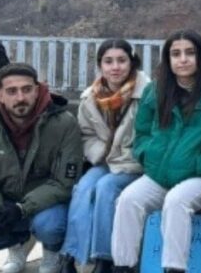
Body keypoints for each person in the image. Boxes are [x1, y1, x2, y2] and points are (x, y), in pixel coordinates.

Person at [111, 30, 201, 273]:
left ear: (200, 57)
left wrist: (198, 162)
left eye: (190, 53)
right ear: (168, 59)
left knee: (176, 201)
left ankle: (174, 268)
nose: (183, 60)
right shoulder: (155, 92)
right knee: (128, 200)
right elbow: (141, 136)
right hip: (161, 173)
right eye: (176, 54)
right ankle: (123, 267)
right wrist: (149, 155)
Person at [0, 63, 83, 273]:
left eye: (26, 89)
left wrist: (22, 209)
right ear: (0, 95)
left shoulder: (64, 123)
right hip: (6, 202)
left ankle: (52, 251)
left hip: (49, 206)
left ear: (37, 90)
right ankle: (16, 247)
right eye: (11, 91)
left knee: (50, 227)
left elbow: (65, 181)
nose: (20, 98)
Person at [60, 40, 150, 273]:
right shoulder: (91, 97)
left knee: (106, 188)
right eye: (108, 61)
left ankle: (104, 258)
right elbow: (86, 135)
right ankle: (72, 255)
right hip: (107, 160)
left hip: (135, 163)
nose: (115, 67)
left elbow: (154, 134)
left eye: (122, 60)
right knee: (84, 187)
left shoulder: (148, 93)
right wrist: (103, 153)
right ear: (100, 65)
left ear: (132, 63)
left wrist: (125, 154)